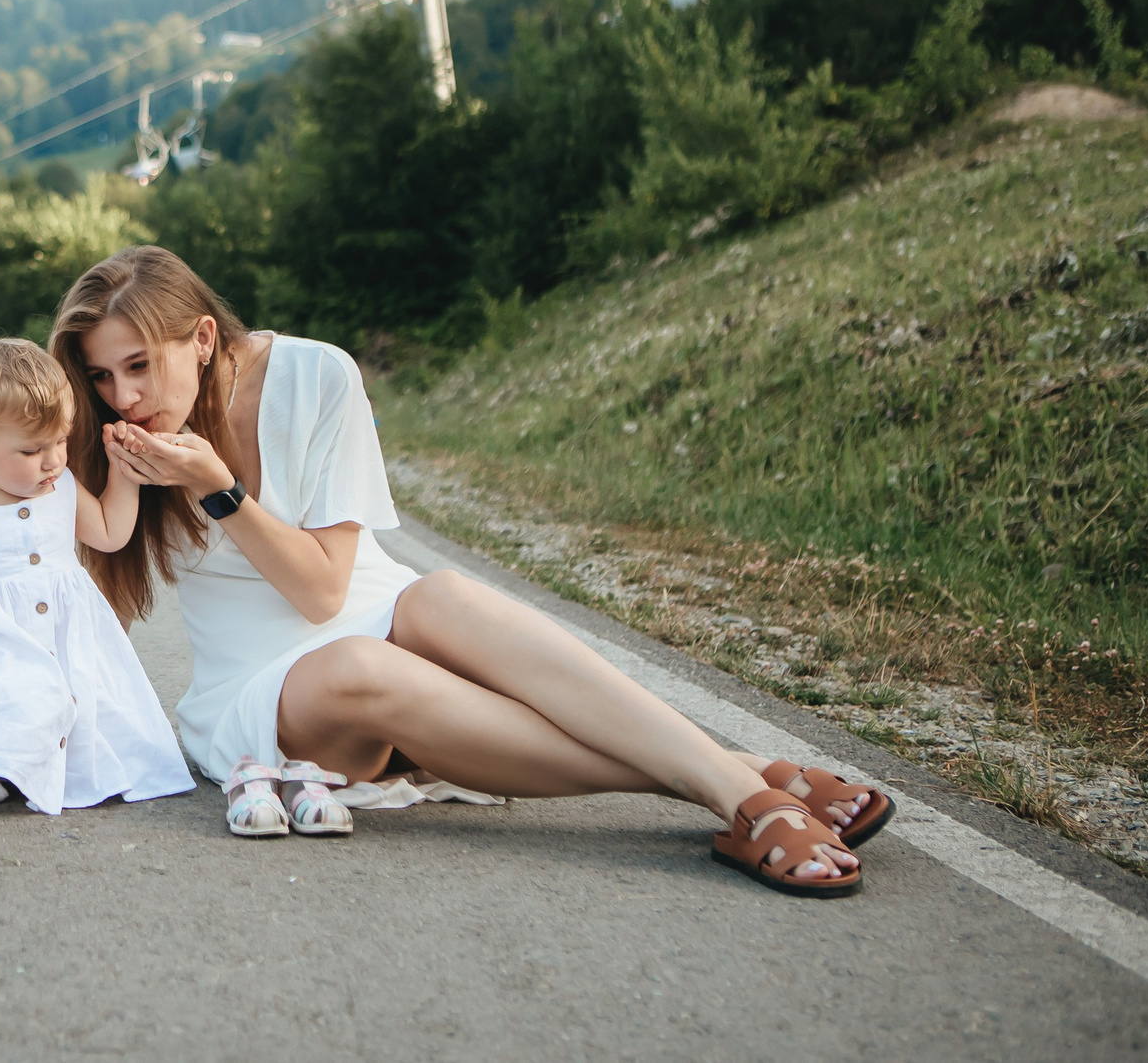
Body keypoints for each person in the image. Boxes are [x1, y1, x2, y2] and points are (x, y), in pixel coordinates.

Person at [50, 246, 893, 896]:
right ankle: (745, 787)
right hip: (266, 692)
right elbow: (58, 554)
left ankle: (741, 788)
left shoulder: (317, 373)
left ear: (201, 338)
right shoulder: (122, 449)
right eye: (101, 375)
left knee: (440, 592)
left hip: (374, 614)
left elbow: (328, 586)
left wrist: (217, 487)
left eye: (138, 365)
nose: (122, 398)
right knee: (358, 665)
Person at [0, 338, 193, 815]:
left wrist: (124, 476)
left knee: (74, 700)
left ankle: (52, 762)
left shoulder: (60, 487)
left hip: (62, 629)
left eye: (60, 441)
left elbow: (109, 533)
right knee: (12, 691)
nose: (53, 461)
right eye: (31, 450)